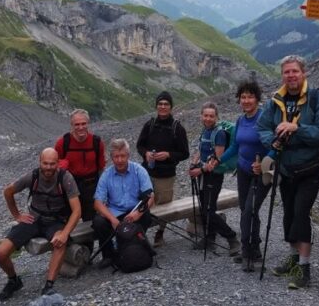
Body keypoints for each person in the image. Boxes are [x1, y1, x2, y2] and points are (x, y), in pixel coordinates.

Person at [258, 55, 319, 288]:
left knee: (301, 213)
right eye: (287, 72)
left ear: (304, 73)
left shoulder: (318, 99)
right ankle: (293, 259)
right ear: (282, 75)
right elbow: (263, 128)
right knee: (289, 213)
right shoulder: (275, 101)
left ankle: (304, 268)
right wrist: (274, 141)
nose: (291, 76)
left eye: (295, 71)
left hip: (310, 167)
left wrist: (296, 128)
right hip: (286, 167)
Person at [0, 148, 81, 299]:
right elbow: (8, 191)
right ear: (40, 162)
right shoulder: (32, 176)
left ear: (58, 163)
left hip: (56, 221)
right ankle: (13, 280)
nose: (48, 167)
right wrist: (17, 215)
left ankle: (49, 285)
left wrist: (65, 233)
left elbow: (77, 211)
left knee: (60, 242)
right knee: (1, 253)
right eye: (45, 163)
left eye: (52, 164)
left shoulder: (66, 178)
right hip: (33, 220)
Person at [217, 81, 269, 270]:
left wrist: (263, 163)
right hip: (243, 171)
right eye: (243, 97)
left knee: (249, 210)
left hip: (260, 173)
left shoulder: (264, 119)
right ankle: (254, 249)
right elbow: (236, 146)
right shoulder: (240, 120)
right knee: (247, 210)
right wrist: (219, 160)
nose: (246, 100)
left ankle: (246, 252)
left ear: (257, 98)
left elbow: (274, 146)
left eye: (250, 96)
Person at [135, 91, 189, 247]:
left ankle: (160, 234)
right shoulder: (150, 124)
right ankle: (139, 233)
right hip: (146, 173)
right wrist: (145, 153)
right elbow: (140, 145)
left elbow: (184, 153)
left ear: (171, 107)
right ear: (156, 106)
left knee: (164, 206)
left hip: (166, 175)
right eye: (160, 104)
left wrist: (168, 155)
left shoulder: (177, 128)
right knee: (142, 203)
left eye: (166, 104)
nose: (163, 107)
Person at [92, 138, 155, 267]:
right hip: (114, 213)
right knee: (99, 222)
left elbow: (150, 197)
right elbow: (98, 203)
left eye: (123, 156)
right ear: (111, 157)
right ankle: (108, 255)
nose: (119, 160)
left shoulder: (139, 171)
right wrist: (112, 219)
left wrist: (137, 214)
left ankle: (135, 247)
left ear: (128, 155)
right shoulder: (106, 175)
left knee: (146, 216)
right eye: (116, 157)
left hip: (134, 210)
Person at [189, 102, 241, 255]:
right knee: (204, 208)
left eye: (211, 116)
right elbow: (201, 150)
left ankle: (231, 237)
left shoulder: (219, 134)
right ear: (201, 116)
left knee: (209, 210)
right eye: (205, 115)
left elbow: (216, 160)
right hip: (204, 175)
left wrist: (199, 170)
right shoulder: (205, 131)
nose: (208, 118)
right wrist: (194, 163)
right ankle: (209, 239)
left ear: (217, 117)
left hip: (213, 175)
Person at [55, 109, 107, 222]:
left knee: (90, 221)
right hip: (69, 186)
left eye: (83, 124)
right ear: (71, 125)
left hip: (90, 187)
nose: (80, 127)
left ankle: (88, 240)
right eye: (77, 124)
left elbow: (101, 168)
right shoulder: (63, 142)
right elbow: (53, 167)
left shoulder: (97, 142)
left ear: (88, 123)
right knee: (67, 220)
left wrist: (103, 192)